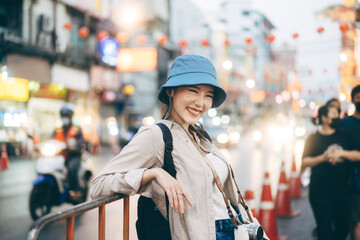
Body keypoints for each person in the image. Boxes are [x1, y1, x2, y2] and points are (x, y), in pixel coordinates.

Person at [90, 54, 264, 240]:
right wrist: (153, 174)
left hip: (236, 230)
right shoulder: (156, 135)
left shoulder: (200, 135)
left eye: (208, 95)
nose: (201, 102)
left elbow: (224, 199)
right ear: (171, 91)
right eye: (193, 91)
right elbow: (99, 185)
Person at [301, 104, 350, 240]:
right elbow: (304, 163)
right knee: (324, 228)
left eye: (337, 114)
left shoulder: (343, 135)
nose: (337, 117)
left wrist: (342, 154)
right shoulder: (313, 138)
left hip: (341, 190)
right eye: (333, 114)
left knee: (343, 226)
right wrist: (323, 157)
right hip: (319, 191)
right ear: (323, 117)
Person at [337, 84, 360, 240]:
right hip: (353, 181)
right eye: (359, 98)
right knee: (356, 222)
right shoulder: (345, 124)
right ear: (353, 100)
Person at [54, 104, 85, 200]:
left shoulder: (76, 130)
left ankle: (76, 191)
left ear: (70, 117)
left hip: (74, 156)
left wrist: (75, 146)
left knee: (71, 168)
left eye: (66, 116)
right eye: (63, 116)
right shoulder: (58, 130)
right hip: (60, 156)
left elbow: (81, 141)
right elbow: (51, 140)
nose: (64, 118)